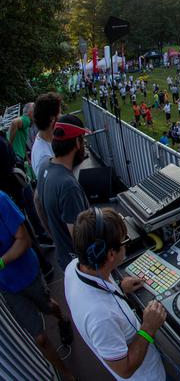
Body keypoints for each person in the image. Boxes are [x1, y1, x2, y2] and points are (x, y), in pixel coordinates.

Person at [64, 208, 166, 380]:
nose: (127, 244)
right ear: (111, 254)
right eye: (125, 240)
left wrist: (120, 286)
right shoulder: (101, 316)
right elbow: (124, 369)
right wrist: (148, 327)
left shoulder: (74, 267)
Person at [0, 191, 75, 380]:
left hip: (27, 274)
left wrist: (1, 262)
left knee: (49, 306)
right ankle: (66, 375)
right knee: (40, 338)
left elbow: (23, 240)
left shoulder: (1, 199)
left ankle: (62, 319)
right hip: (7, 288)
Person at [37, 115, 91, 270]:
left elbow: (38, 204)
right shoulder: (68, 186)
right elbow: (80, 238)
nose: (84, 145)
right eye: (83, 140)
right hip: (81, 266)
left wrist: (56, 237)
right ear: (76, 142)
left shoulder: (44, 166)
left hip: (64, 257)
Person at [30, 92, 61, 175]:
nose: (61, 116)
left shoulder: (46, 138)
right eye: (59, 113)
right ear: (52, 118)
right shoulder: (43, 158)